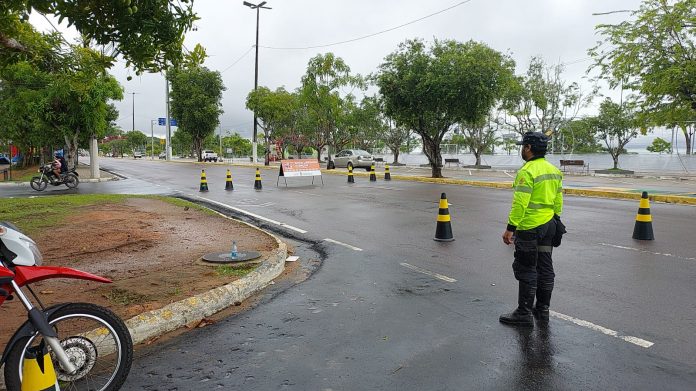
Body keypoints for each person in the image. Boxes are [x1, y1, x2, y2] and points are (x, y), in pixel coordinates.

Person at [500, 132, 563, 327]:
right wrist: (555, 219)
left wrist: (511, 228)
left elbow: (520, 203)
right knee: (545, 267)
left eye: (523, 146)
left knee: (527, 268)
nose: (521, 149)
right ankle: (542, 309)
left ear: (528, 148)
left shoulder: (527, 171)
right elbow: (558, 200)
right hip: (549, 224)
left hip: (529, 228)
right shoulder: (554, 170)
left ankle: (524, 313)